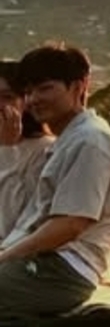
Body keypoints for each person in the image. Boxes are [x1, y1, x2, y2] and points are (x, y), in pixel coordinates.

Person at [0, 43, 110, 322]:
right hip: (48, 264)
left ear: (79, 86)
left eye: (46, 88)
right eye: (30, 91)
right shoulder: (69, 140)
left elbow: (71, 224)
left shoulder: (90, 141)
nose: (35, 99)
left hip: (60, 270)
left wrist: (6, 257)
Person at [0, 59, 52, 239]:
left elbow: (14, 224)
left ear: (25, 102)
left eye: (7, 97)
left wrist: (7, 151)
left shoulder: (44, 149)